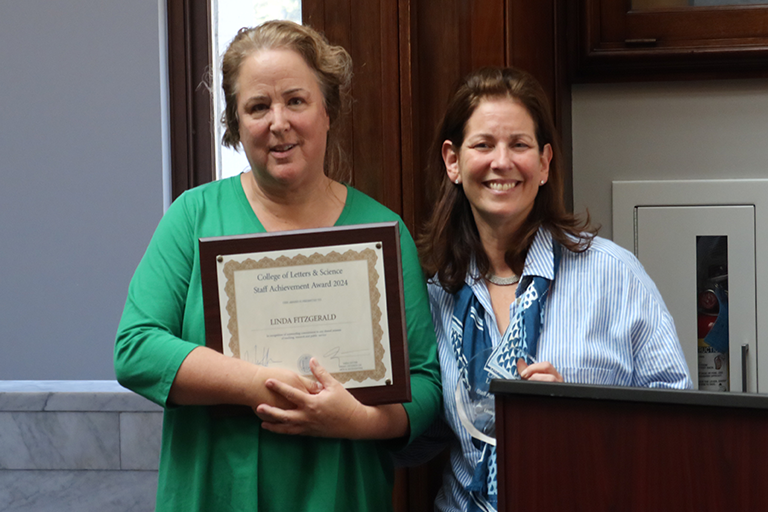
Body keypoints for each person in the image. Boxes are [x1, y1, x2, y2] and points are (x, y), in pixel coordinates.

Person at [114, 20, 440, 512]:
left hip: (340, 492)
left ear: (328, 109)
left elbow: (425, 382)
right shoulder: (193, 216)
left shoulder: (382, 230)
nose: (278, 121)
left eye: (295, 100)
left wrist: (357, 420)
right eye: (258, 107)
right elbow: (136, 349)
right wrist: (262, 382)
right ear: (236, 124)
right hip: (213, 493)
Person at [415, 66, 692, 512]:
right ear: (453, 161)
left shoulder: (614, 277)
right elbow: (418, 433)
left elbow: (680, 432)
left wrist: (575, 419)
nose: (501, 162)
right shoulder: (433, 294)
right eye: (483, 144)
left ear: (544, 164)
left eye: (519, 145)